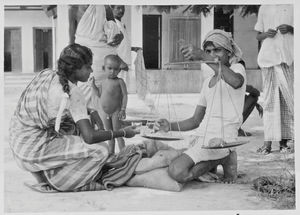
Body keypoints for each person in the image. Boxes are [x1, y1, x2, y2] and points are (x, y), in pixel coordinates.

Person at [9, 43, 140, 192]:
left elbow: (54, 108)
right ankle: (58, 181)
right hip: (32, 150)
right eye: (88, 67)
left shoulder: (47, 74)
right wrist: (124, 132)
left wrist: (89, 110)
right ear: (75, 69)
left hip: (18, 142)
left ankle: (44, 171)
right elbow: (90, 137)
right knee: (100, 151)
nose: (91, 71)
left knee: (75, 127)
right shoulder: (73, 92)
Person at [155, 29, 246, 184]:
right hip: (201, 137)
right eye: (209, 51)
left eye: (217, 50)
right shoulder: (207, 82)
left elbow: (236, 82)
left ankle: (224, 157)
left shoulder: (237, 69)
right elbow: (195, 121)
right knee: (159, 155)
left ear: (229, 53)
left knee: (176, 172)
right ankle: (212, 163)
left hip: (222, 140)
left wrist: (204, 56)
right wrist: (168, 126)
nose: (213, 54)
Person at [254, 5, 294, 154]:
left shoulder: (292, 5)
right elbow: (258, 36)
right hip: (268, 60)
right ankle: (267, 144)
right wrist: (266, 34)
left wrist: (291, 29)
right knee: (269, 101)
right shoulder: (265, 6)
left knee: (288, 101)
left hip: (288, 59)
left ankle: (284, 143)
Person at [92, 54, 128, 154]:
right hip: (104, 113)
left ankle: (123, 154)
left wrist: (123, 109)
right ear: (104, 68)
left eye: (116, 69)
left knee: (118, 133)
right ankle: (111, 154)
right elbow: (99, 94)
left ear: (119, 70)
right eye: (110, 68)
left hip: (116, 112)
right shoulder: (103, 82)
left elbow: (125, 95)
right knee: (109, 135)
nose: (112, 71)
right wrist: (93, 86)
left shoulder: (120, 81)